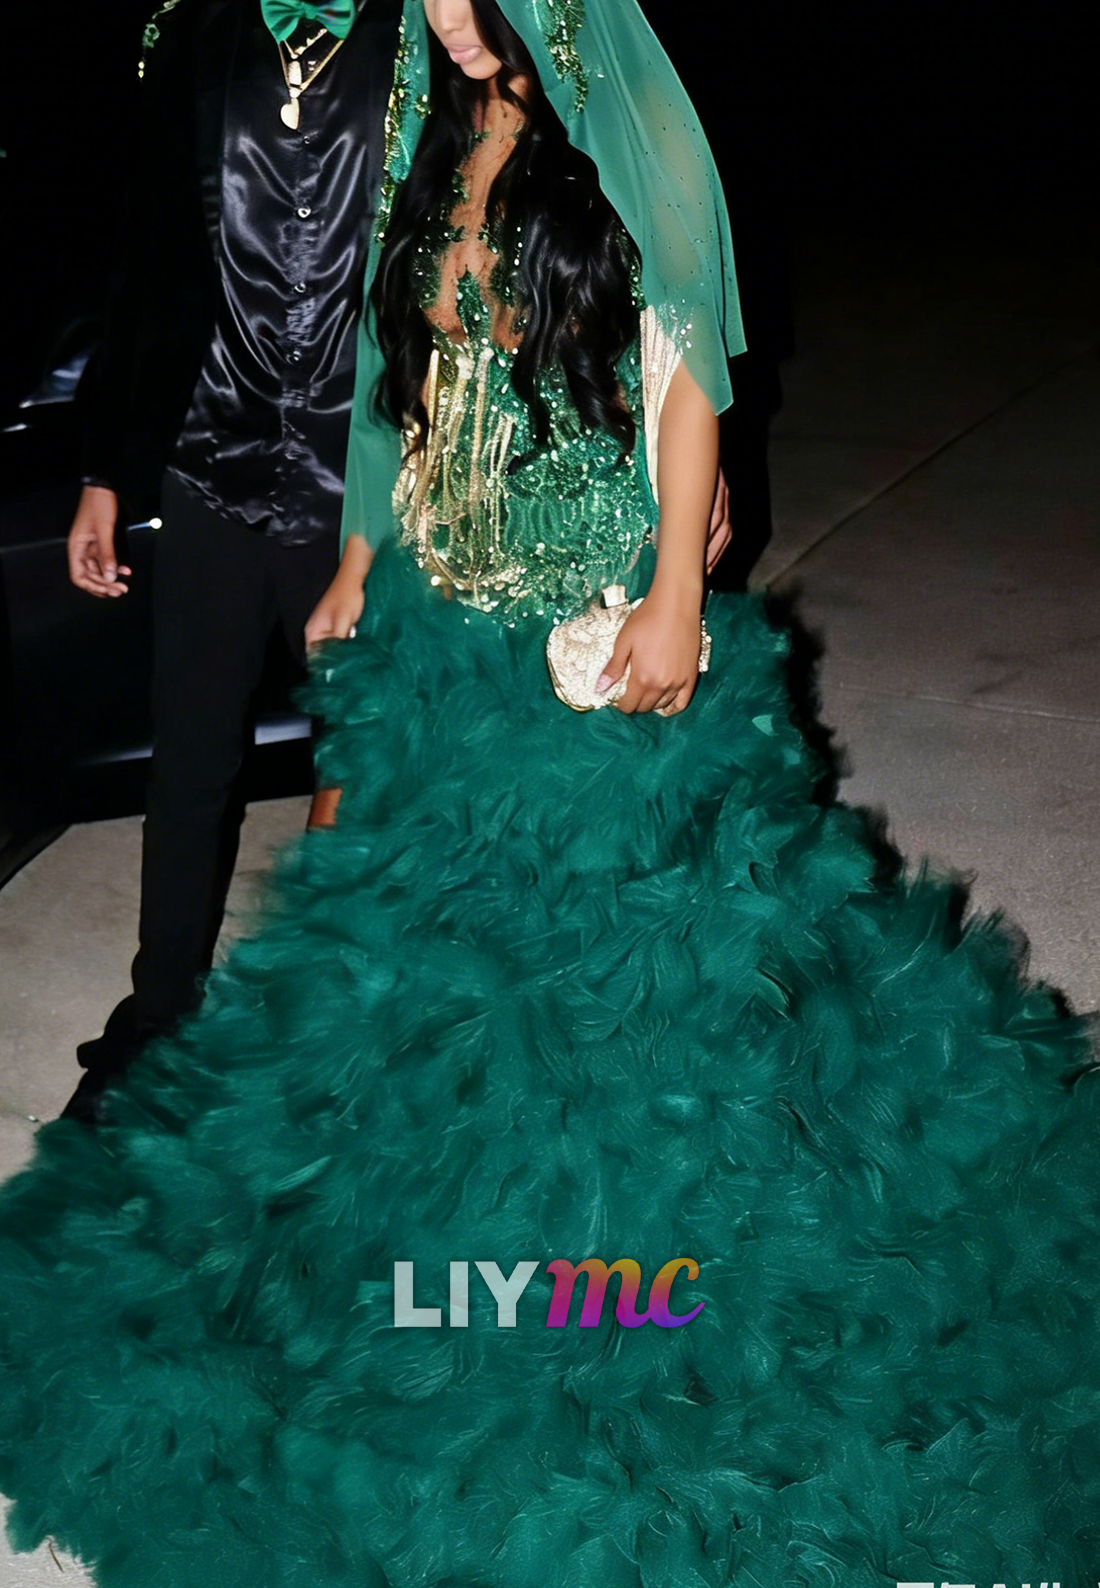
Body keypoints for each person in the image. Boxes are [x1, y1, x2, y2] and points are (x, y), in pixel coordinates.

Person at [2, 3, 1099, 1586]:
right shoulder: (428, 119)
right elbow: (389, 381)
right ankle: (423, 1257)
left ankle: (617, 1288)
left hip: (585, 613)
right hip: (445, 621)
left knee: (621, 1000)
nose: (449, 15)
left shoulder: (618, 105)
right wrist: (359, 559)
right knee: (410, 978)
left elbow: (687, 356)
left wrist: (674, 596)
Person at [64, 0, 735, 1126]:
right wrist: (126, 472)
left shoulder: (527, 81)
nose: (453, 14)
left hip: (473, 532)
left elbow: (674, 342)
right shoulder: (308, 78)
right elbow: (182, 276)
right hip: (318, 516)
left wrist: (681, 555)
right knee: (265, 820)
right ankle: (189, 1040)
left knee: (503, 883)